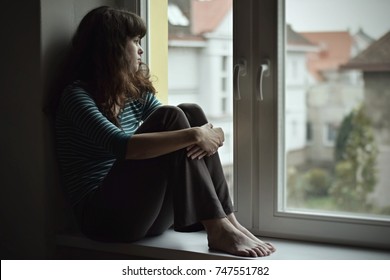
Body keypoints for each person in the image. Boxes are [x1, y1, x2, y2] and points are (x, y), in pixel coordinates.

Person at [54, 5, 276, 258]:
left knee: (189, 111)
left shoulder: (133, 93)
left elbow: (181, 127)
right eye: (134, 41)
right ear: (111, 47)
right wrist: (196, 135)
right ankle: (217, 228)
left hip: (149, 216)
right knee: (172, 117)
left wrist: (207, 133)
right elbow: (120, 145)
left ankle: (228, 221)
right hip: (104, 220)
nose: (140, 49)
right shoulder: (76, 96)